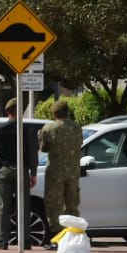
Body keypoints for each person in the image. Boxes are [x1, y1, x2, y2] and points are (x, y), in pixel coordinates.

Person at [0, 99, 36, 250]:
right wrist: (33, 173)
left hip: (5, 171)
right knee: (24, 206)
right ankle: (25, 241)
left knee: (3, 206)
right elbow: (33, 153)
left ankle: (2, 241)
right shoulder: (27, 129)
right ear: (20, 111)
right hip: (22, 171)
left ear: (7, 112)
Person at [38, 100, 82, 235]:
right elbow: (79, 144)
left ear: (54, 113)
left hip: (55, 171)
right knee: (72, 204)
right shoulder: (76, 127)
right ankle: (73, 232)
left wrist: (40, 137)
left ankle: (58, 234)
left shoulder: (49, 128)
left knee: (54, 204)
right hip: (74, 171)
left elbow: (44, 148)